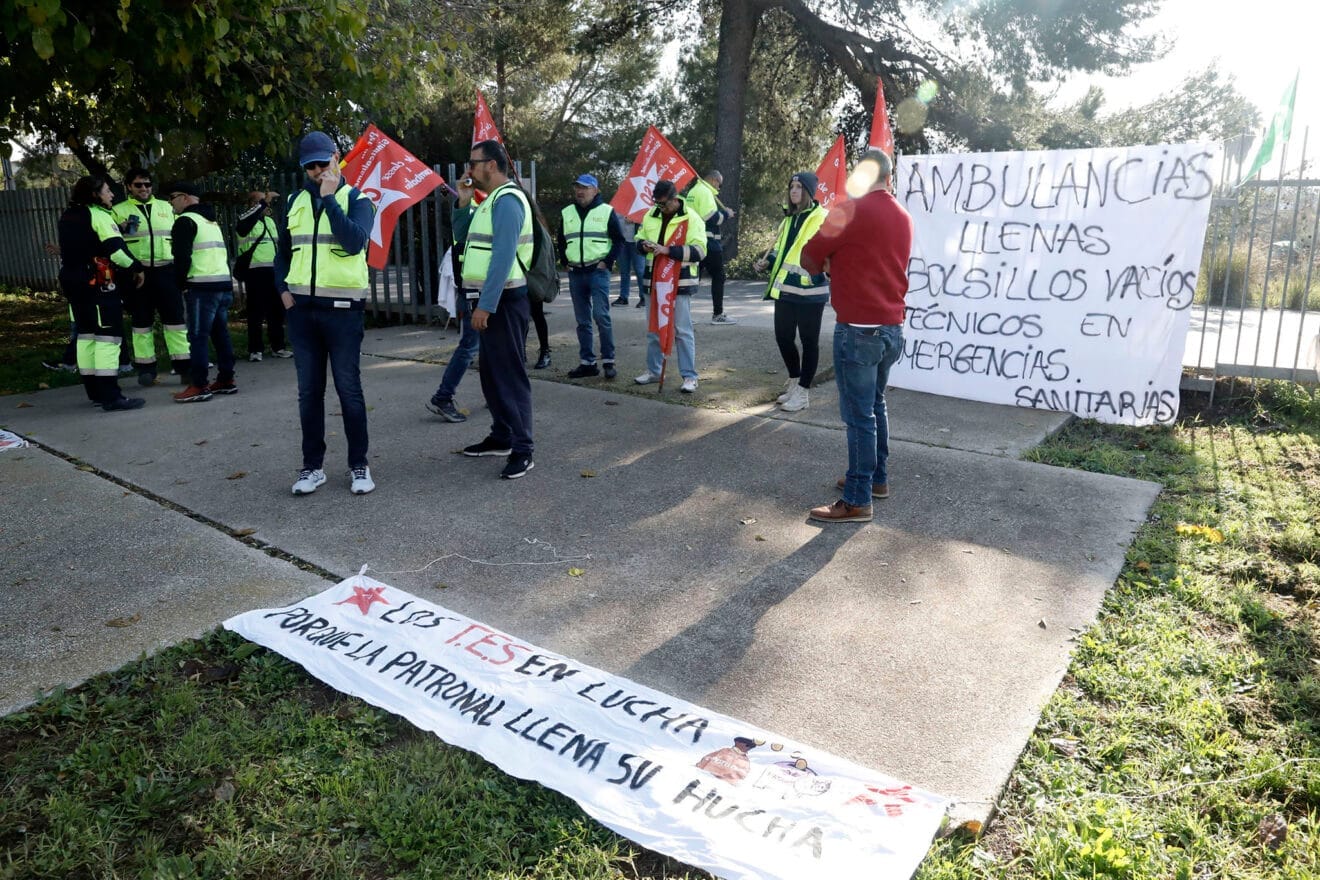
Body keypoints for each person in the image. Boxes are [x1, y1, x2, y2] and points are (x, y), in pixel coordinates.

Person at [800, 150, 912, 523]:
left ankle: (858, 497)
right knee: (876, 405)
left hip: (859, 329)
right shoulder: (902, 215)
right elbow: (871, 259)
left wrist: (829, 263)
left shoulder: (849, 211)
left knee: (859, 416)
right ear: (889, 177)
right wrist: (840, 261)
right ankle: (876, 478)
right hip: (891, 328)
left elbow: (809, 254)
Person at [275, 131, 377, 496]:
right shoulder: (293, 201)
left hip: (343, 313)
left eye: (323, 163)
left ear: (337, 157)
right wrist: (283, 291)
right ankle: (311, 468)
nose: (318, 171)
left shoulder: (358, 199)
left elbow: (354, 242)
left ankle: (358, 465)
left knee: (349, 390)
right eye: (310, 166)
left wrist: (330, 199)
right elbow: (282, 252)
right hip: (302, 314)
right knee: (308, 393)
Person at [459, 139, 536, 480]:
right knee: (491, 375)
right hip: (489, 302)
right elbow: (464, 241)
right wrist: (462, 203)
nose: (468, 169)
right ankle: (501, 436)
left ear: (491, 164)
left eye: (473, 163)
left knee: (509, 376)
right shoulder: (488, 201)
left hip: (503, 301)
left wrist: (486, 306)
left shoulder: (507, 201)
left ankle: (523, 449)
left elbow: (503, 257)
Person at [56, 176, 146, 410]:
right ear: (95, 194)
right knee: (108, 336)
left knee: (86, 335)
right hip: (97, 282)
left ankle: (95, 392)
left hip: (73, 280)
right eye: (107, 191)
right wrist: (137, 268)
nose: (112, 195)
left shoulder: (68, 215)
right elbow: (116, 252)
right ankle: (111, 396)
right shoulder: (99, 215)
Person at [753, 171, 829, 413]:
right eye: (791, 186)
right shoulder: (787, 219)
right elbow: (782, 250)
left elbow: (826, 250)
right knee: (783, 336)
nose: (794, 191)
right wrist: (768, 261)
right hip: (785, 288)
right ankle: (795, 381)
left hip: (810, 289)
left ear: (808, 191)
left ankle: (804, 393)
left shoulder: (822, 216)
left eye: (798, 187)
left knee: (809, 342)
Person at [112, 167, 190, 385]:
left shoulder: (167, 207)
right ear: (128, 187)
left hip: (167, 271)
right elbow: (113, 243)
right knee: (141, 323)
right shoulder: (118, 211)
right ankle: (146, 369)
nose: (144, 188)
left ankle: (184, 366)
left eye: (147, 184)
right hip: (138, 274)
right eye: (138, 185)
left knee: (175, 321)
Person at [633, 179, 707, 393]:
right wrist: (643, 245)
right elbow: (638, 239)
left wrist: (668, 251)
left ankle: (689, 376)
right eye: (658, 204)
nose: (661, 208)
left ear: (675, 199)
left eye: (664, 204)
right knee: (654, 329)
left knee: (683, 331)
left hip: (680, 283)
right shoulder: (651, 215)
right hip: (653, 282)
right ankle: (654, 371)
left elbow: (700, 251)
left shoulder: (691, 217)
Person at [168, 181, 238, 404]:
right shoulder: (210, 220)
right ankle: (226, 379)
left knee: (197, 337)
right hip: (221, 283)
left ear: (187, 197)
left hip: (200, 286)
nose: (171, 202)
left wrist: (181, 283)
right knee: (220, 335)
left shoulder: (185, 221)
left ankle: (199, 384)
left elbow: (182, 258)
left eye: (174, 196)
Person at [557, 172, 625, 379]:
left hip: (597, 271)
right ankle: (587, 363)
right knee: (582, 321)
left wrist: (608, 261)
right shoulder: (567, 212)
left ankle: (608, 361)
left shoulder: (606, 211)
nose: (580, 191)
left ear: (595, 191)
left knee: (601, 316)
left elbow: (619, 240)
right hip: (576, 273)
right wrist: (565, 261)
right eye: (577, 187)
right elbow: (561, 239)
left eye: (585, 187)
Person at [426, 181, 480, 422]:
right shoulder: (474, 212)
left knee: (484, 346)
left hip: (476, 291)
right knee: (470, 345)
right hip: (474, 292)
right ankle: (443, 396)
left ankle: (498, 393)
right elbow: (461, 241)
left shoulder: (487, 204)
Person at [235, 190, 289, 361]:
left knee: (276, 311)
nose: (266, 205)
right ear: (252, 205)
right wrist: (263, 202)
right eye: (261, 202)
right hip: (255, 271)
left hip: (273, 270)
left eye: (266, 202)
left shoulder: (270, 221)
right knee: (256, 312)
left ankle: (278, 347)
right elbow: (243, 229)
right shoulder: (245, 220)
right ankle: (255, 350)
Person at [684, 170, 737, 324]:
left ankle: (683, 314)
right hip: (709, 242)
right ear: (713, 180)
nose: (719, 188)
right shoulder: (705, 192)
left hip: (693, 241)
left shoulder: (693, 191)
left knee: (693, 278)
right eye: (719, 184)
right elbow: (712, 218)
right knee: (719, 276)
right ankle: (718, 314)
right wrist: (726, 214)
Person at [612, 217, 646, 307]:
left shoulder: (641, 205)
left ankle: (644, 297)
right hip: (622, 241)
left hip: (637, 242)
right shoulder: (618, 207)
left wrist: (636, 220)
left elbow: (647, 223)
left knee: (640, 270)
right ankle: (623, 298)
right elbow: (614, 221)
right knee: (624, 271)